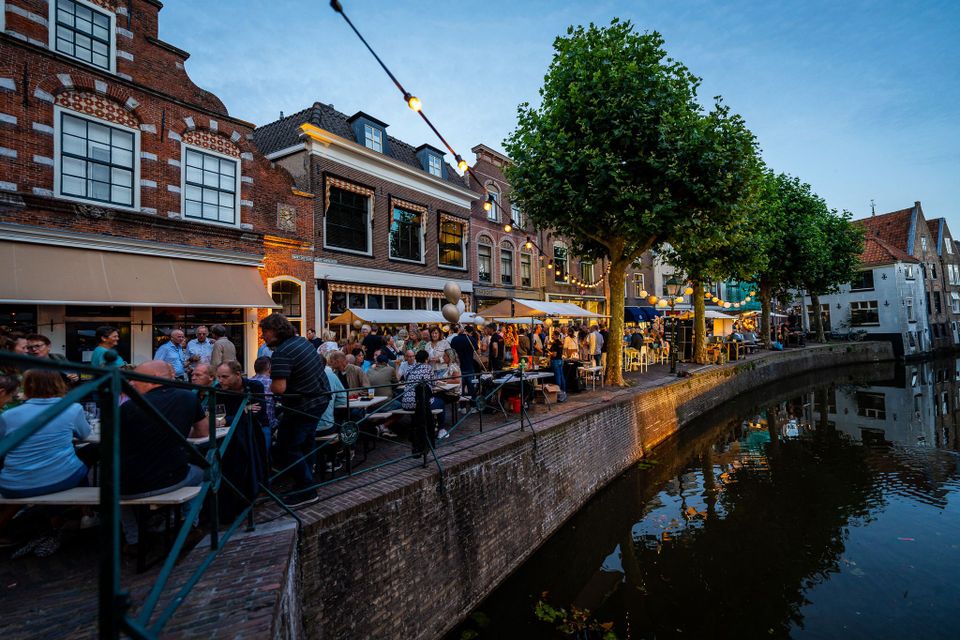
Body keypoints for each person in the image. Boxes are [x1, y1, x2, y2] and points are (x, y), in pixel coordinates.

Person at [118, 361, 207, 547]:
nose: (132, 383)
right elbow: (203, 432)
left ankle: (133, 540)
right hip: (169, 479)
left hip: (127, 486)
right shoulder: (188, 397)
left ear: (154, 379)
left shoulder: (127, 408)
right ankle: (189, 525)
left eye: (136, 378)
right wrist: (180, 430)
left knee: (119, 483)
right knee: (204, 473)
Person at [261, 313, 330, 507]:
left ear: (275, 331)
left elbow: (279, 388)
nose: (263, 336)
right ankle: (304, 484)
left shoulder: (282, 352)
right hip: (320, 398)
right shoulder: (302, 342)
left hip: (303, 404)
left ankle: (307, 489)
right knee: (306, 443)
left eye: (265, 331)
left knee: (288, 446)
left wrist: (268, 383)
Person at [0, 370, 90, 498]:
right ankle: (84, 509)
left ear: (26, 386)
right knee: (84, 460)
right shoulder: (72, 408)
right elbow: (84, 434)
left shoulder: (8, 415)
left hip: (13, 486)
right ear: (59, 384)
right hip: (61, 478)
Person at [215, 361, 269, 517]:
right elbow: (219, 417)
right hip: (233, 433)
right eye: (218, 377)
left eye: (225, 377)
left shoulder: (254, 386)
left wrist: (231, 418)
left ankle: (259, 489)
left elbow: (258, 412)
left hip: (257, 428)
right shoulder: (219, 389)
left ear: (238, 374)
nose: (220, 380)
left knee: (259, 449)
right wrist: (244, 411)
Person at [401, 350, 447, 439]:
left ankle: (418, 427)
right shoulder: (428, 368)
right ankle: (441, 429)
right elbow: (433, 384)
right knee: (441, 402)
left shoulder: (409, 368)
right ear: (426, 359)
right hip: (420, 403)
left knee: (423, 402)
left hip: (406, 403)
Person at [249, 356, 278, 450]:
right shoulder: (271, 383)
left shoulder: (249, 381)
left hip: (250, 422)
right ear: (269, 368)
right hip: (267, 423)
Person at [450, 325, 478, 396]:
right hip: (469, 366)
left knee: (460, 389)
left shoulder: (454, 339)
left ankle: (462, 402)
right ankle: (472, 401)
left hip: (458, 367)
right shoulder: (471, 339)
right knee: (471, 388)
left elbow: (451, 353)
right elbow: (478, 352)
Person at [548, 329, 567, 400]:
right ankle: (564, 391)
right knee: (561, 376)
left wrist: (549, 352)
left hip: (555, 361)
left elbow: (554, 354)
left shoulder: (555, 344)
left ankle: (558, 392)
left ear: (555, 335)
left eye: (552, 335)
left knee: (558, 377)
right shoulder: (560, 343)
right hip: (560, 360)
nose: (552, 336)